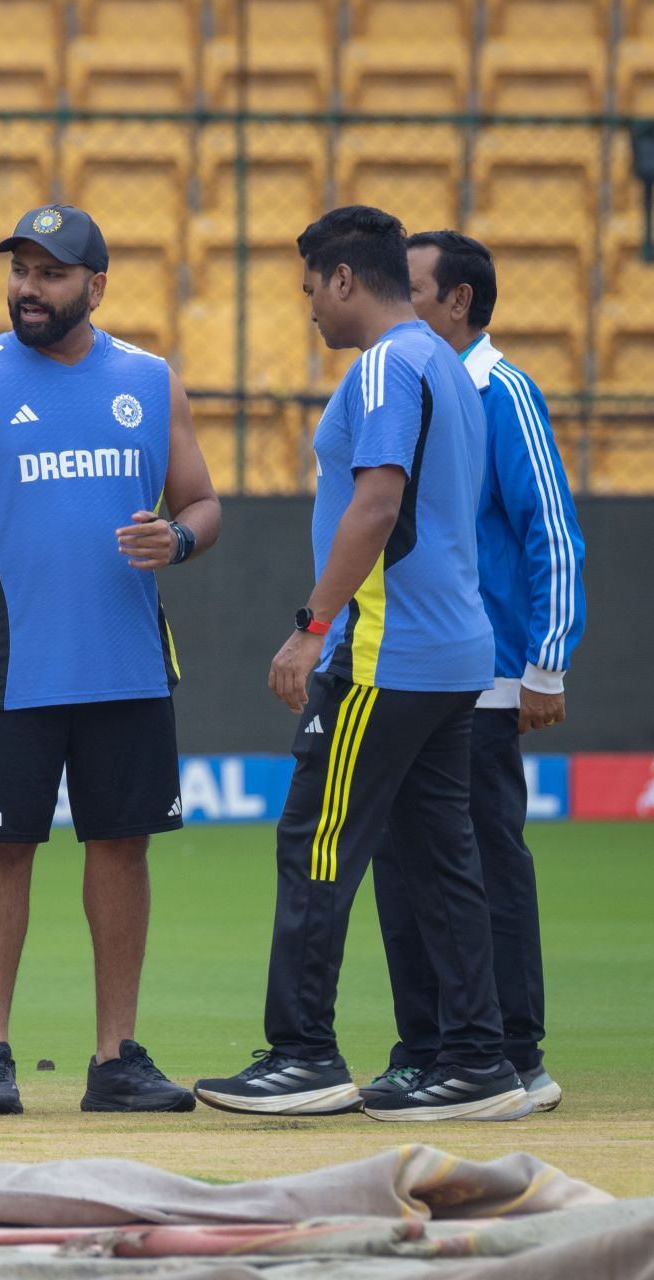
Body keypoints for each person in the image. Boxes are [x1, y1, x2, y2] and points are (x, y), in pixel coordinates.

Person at [194, 206, 530, 1123]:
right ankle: (476, 1061)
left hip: (388, 653)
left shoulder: (385, 365)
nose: (308, 305)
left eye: (310, 286)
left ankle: (303, 1054)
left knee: (318, 842)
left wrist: (313, 624)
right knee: (439, 858)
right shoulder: (444, 362)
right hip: (455, 649)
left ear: (344, 278)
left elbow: (377, 507)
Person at [0, 205, 221, 1117]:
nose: (29, 288)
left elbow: (201, 501)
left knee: (122, 849)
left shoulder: (151, 382)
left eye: (52, 273)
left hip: (128, 665)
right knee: (4, 850)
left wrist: (178, 541)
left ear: (96, 286)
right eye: (21, 270)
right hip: (11, 668)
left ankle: (116, 1059)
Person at [359, 231, 587, 1114]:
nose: (396, 301)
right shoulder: (413, 388)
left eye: (411, 287)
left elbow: (551, 533)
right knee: (401, 866)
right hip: (403, 670)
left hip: (485, 680)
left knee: (484, 864)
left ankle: (515, 1052)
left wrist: (547, 665)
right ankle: (426, 1048)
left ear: (458, 302)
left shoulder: (504, 391)